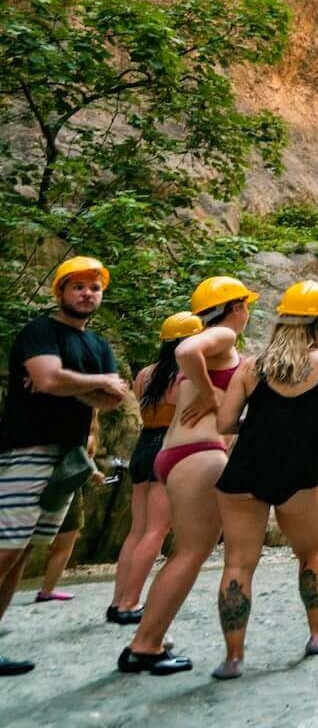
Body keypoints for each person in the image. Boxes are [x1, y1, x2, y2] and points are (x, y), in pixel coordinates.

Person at [210, 279, 318, 679]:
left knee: (238, 562)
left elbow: (224, 422)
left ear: (281, 321)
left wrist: (260, 424)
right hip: (299, 473)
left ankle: (234, 658)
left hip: (245, 471)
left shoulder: (253, 366)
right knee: (312, 554)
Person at [120, 275, 256, 675]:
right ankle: (144, 645)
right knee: (190, 555)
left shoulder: (222, 346)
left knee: (184, 553)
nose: (246, 313)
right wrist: (213, 393)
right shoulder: (222, 338)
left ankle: (149, 636)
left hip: (176, 452)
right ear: (235, 308)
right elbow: (185, 349)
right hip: (198, 455)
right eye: (245, 305)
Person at [0, 256, 127, 677]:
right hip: (26, 449)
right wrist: (89, 383)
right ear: (61, 292)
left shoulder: (98, 345)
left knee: (21, 556)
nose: (87, 293)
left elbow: (111, 400)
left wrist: (68, 383)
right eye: (78, 287)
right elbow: (53, 379)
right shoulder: (40, 331)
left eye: (94, 287)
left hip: (67, 458)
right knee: (7, 548)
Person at [106, 310, 203, 624]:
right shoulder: (186, 375)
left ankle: (118, 601)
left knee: (138, 530)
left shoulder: (146, 374)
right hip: (168, 447)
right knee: (157, 530)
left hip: (143, 447)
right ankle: (131, 604)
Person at [32, 419, 102, 603]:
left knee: (64, 542)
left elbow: (84, 456)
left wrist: (93, 471)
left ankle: (47, 590)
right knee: (32, 543)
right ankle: (46, 591)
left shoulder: (89, 423)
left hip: (69, 485)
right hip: (57, 484)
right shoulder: (76, 420)